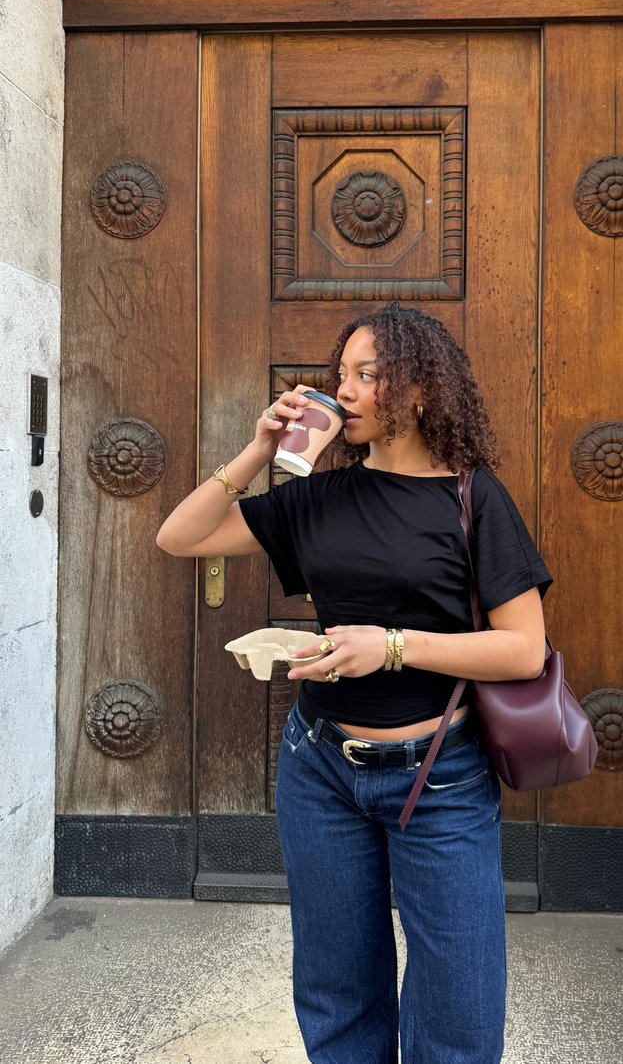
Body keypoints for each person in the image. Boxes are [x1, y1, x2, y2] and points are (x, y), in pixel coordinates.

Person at [157, 304, 552, 1064]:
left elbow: (523, 651)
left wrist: (394, 647)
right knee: (338, 994)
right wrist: (258, 448)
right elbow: (183, 536)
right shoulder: (319, 500)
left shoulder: (473, 499)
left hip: (439, 776)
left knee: (459, 1006)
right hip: (320, 770)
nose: (346, 392)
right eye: (343, 375)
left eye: (368, 375)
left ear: (421, 391)